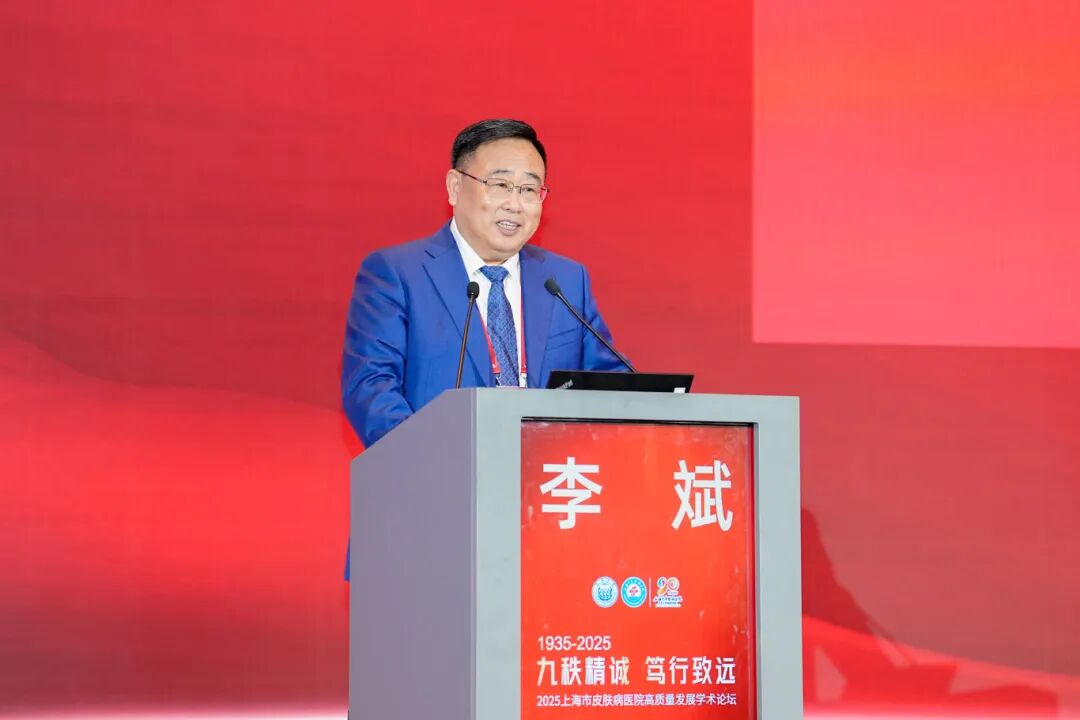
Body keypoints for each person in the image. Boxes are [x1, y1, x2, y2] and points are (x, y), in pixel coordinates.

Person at [341, 119, 626, 447]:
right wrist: (431, 458)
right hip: (440, 470)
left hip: (549, 471)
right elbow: (372, 389)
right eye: (500, 185)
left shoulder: (565, 281)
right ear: (455, 187)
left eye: (529, 189)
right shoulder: (397, 274)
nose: (515, 204)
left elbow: (610, 386)